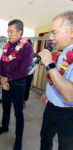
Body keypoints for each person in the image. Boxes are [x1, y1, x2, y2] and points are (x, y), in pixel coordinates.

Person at [0, 19, 34, 150]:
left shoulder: (27, 47)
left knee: (18, 112)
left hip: (18, 84)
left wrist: (6, 79)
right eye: (7, 31)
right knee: (5, 107)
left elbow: (24, 70)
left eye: (11, 31)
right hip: (5, 83)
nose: (8, 34)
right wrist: (3, 79)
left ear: (19, 32)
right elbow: (1, 63)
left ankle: (18, 139)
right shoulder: (7, 46)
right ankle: (4, 127)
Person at [38, 11, 73, 150]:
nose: (50, 38)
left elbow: (70, 95)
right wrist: (48, 92)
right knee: (45, 138)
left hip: (68, 114)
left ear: (71, 32)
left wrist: (49, 63)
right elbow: (57, 76)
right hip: (50, 107)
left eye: (54, 32)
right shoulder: (61, 51)